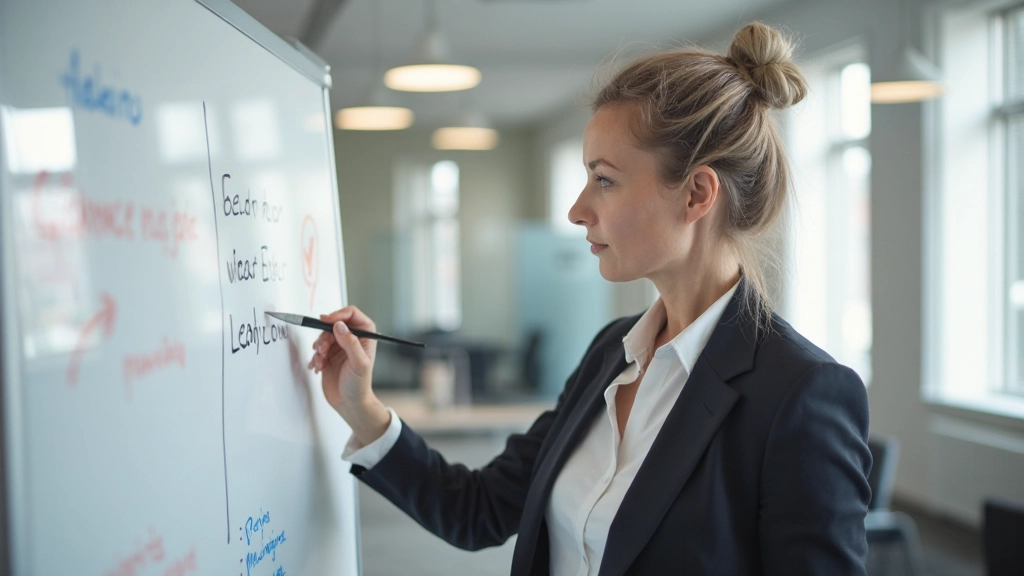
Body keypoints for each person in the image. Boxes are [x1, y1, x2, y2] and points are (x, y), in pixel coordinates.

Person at [308, 21, 872, 576]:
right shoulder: (613, 352)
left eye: (603, 179)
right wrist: (362, 407)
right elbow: (478, 509)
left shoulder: (801, 395)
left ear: (697, 193)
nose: (577, 210)